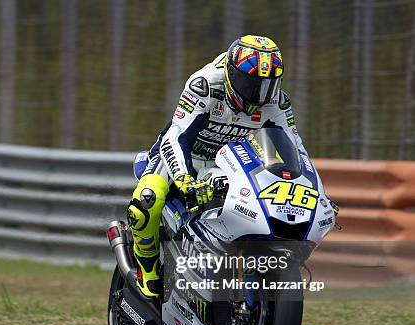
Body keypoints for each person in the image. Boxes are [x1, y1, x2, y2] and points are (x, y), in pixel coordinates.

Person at [127, 35, 307, 298]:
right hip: (182, 157)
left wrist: (313, 189)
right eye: (252, 83)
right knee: (146, 202)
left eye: (269, 84)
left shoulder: (277, 102)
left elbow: (295, 148)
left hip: (230, 165)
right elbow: (176, 137)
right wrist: (184, 179)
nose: (261, 93)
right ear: (232, 73)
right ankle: (149, 273)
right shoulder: (206, 84)